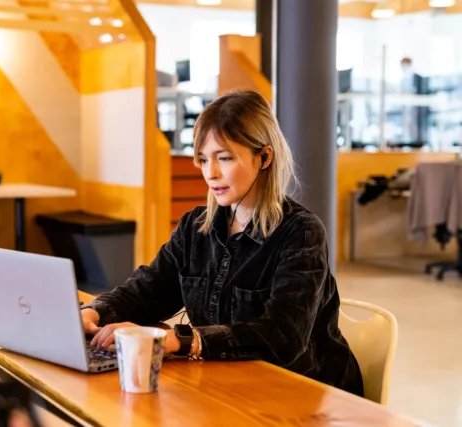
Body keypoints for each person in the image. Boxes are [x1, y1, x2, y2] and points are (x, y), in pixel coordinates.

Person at [81, 90, 364, 396]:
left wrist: (183, 340)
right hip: (227, 385)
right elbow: (149, 290)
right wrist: (93, 312)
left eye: (224, 158)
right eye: (203, 159)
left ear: (265, 157)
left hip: (302, 394)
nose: (210, 174)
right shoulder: (196, 226)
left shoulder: (302, 233)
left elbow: (284, 335)